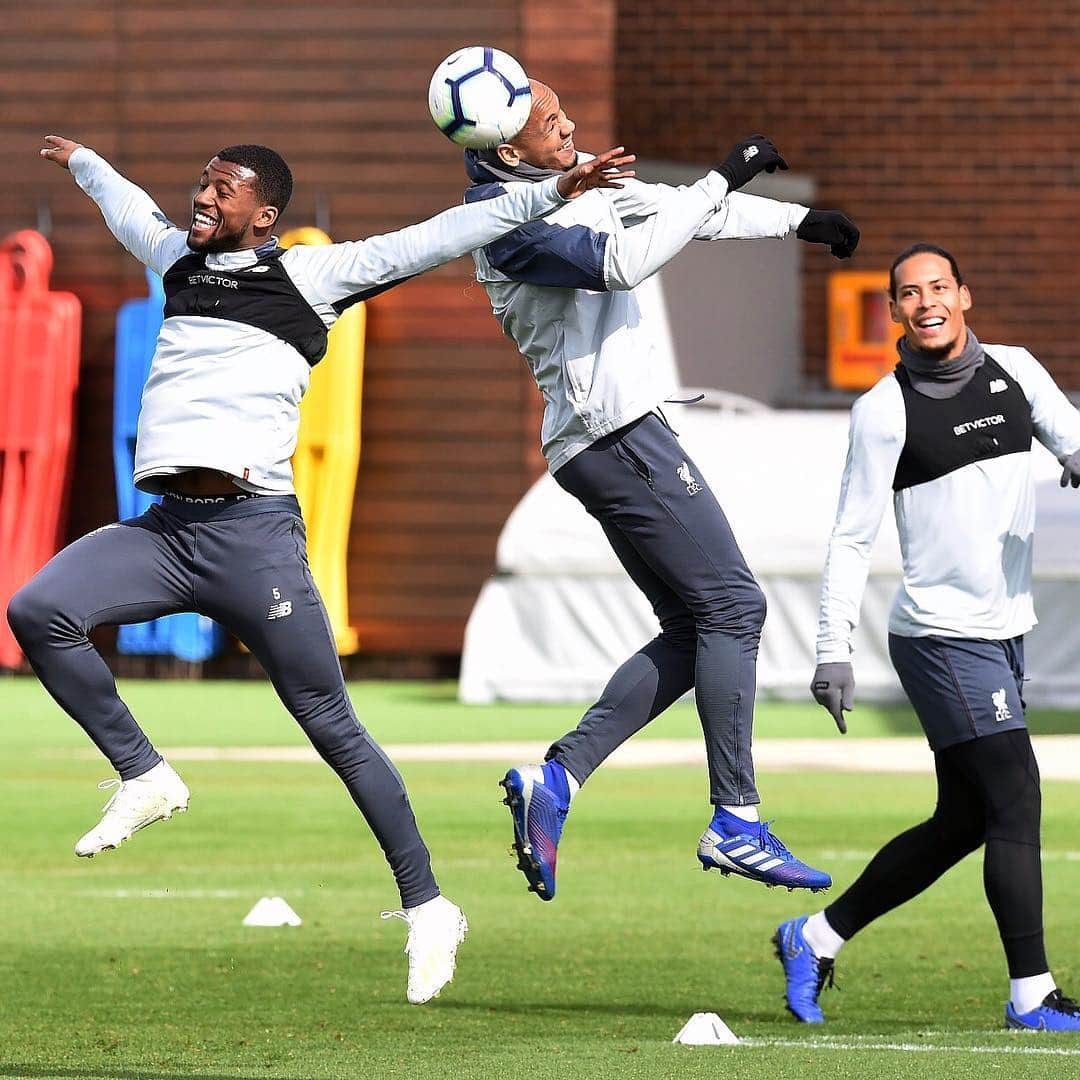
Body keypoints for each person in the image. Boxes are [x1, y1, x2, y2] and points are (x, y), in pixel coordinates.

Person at [8, 133, 633, 1005]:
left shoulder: (313, 277)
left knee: (332, 727)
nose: (203, 197)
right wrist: (82, 162)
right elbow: (127, 208)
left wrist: (556, 186)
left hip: (252, 538)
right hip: (165, 532)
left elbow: (441, 234)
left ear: (263, 215)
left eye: (221, 189)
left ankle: (428, 907)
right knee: (38, 609)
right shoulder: (176, 262)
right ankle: (145, 774)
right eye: (202, 181)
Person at [456, 80, 860, 902]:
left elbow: (687, 211)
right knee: (735, 608)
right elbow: (626, 260)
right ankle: (736, 820)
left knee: (693, 625)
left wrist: (797, 220)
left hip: (613, 438)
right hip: (615, 436)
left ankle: (557, 781)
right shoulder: (506, 226)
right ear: (507, 151)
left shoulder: (580, 183)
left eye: (565, 110)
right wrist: (726, 173)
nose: (570, 127)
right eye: (549, 123)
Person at [777, 243, 1080, 1031]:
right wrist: (830, 648)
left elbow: (1070, 435)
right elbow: (849, 537)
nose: (926, 302)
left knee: (967, 820)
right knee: (1016, 795)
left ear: (964, 296)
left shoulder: (1016, 369)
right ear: (894, 312)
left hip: (1005, 630)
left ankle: (813, 936)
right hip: (942, 639)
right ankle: (1032, 996)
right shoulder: (885, 409)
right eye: (908, 294)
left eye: (938, 287)